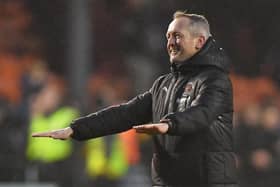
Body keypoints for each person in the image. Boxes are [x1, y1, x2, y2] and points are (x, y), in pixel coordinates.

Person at [32, 11, 238, 187]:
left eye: (177, 36)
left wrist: (170, 124)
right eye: (168, 36)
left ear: (199, 41)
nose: (170, 43)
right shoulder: (163, 85)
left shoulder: (215, 80)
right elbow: (125, 114)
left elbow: (203, 113)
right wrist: (76, 129)